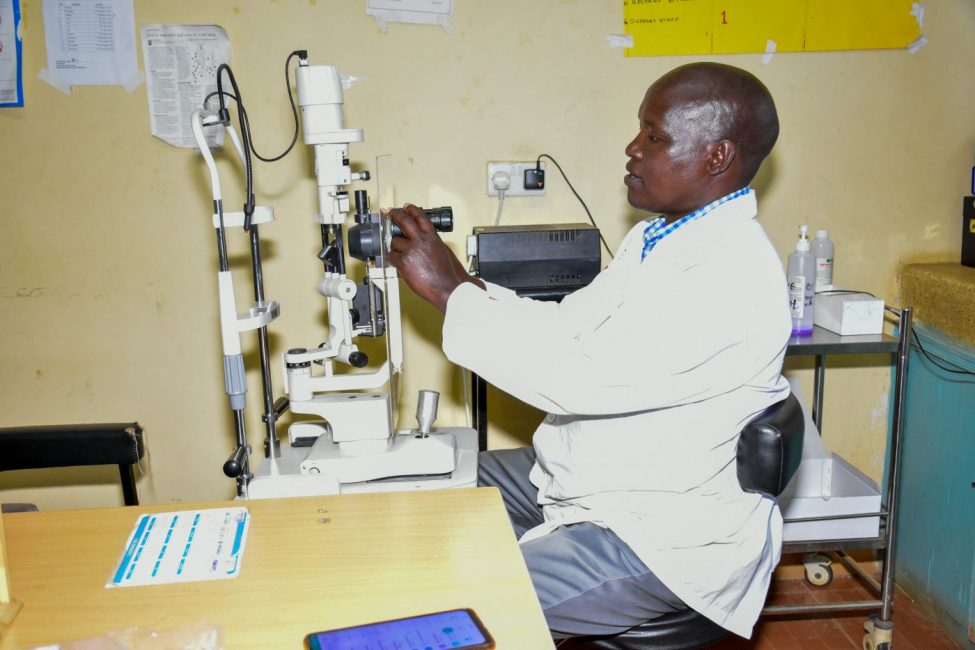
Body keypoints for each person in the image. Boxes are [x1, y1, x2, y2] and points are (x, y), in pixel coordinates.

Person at [386, 62, 791, 641]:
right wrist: (464, 282)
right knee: (423, 486)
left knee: (458, 606)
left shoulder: (729, 274)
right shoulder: (659, 238)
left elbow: (574, 377)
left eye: (654, 136)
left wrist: (450, 294)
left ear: (717, 156)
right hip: (601, 474)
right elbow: (567, 328)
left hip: (657, 536)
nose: (633, 148)